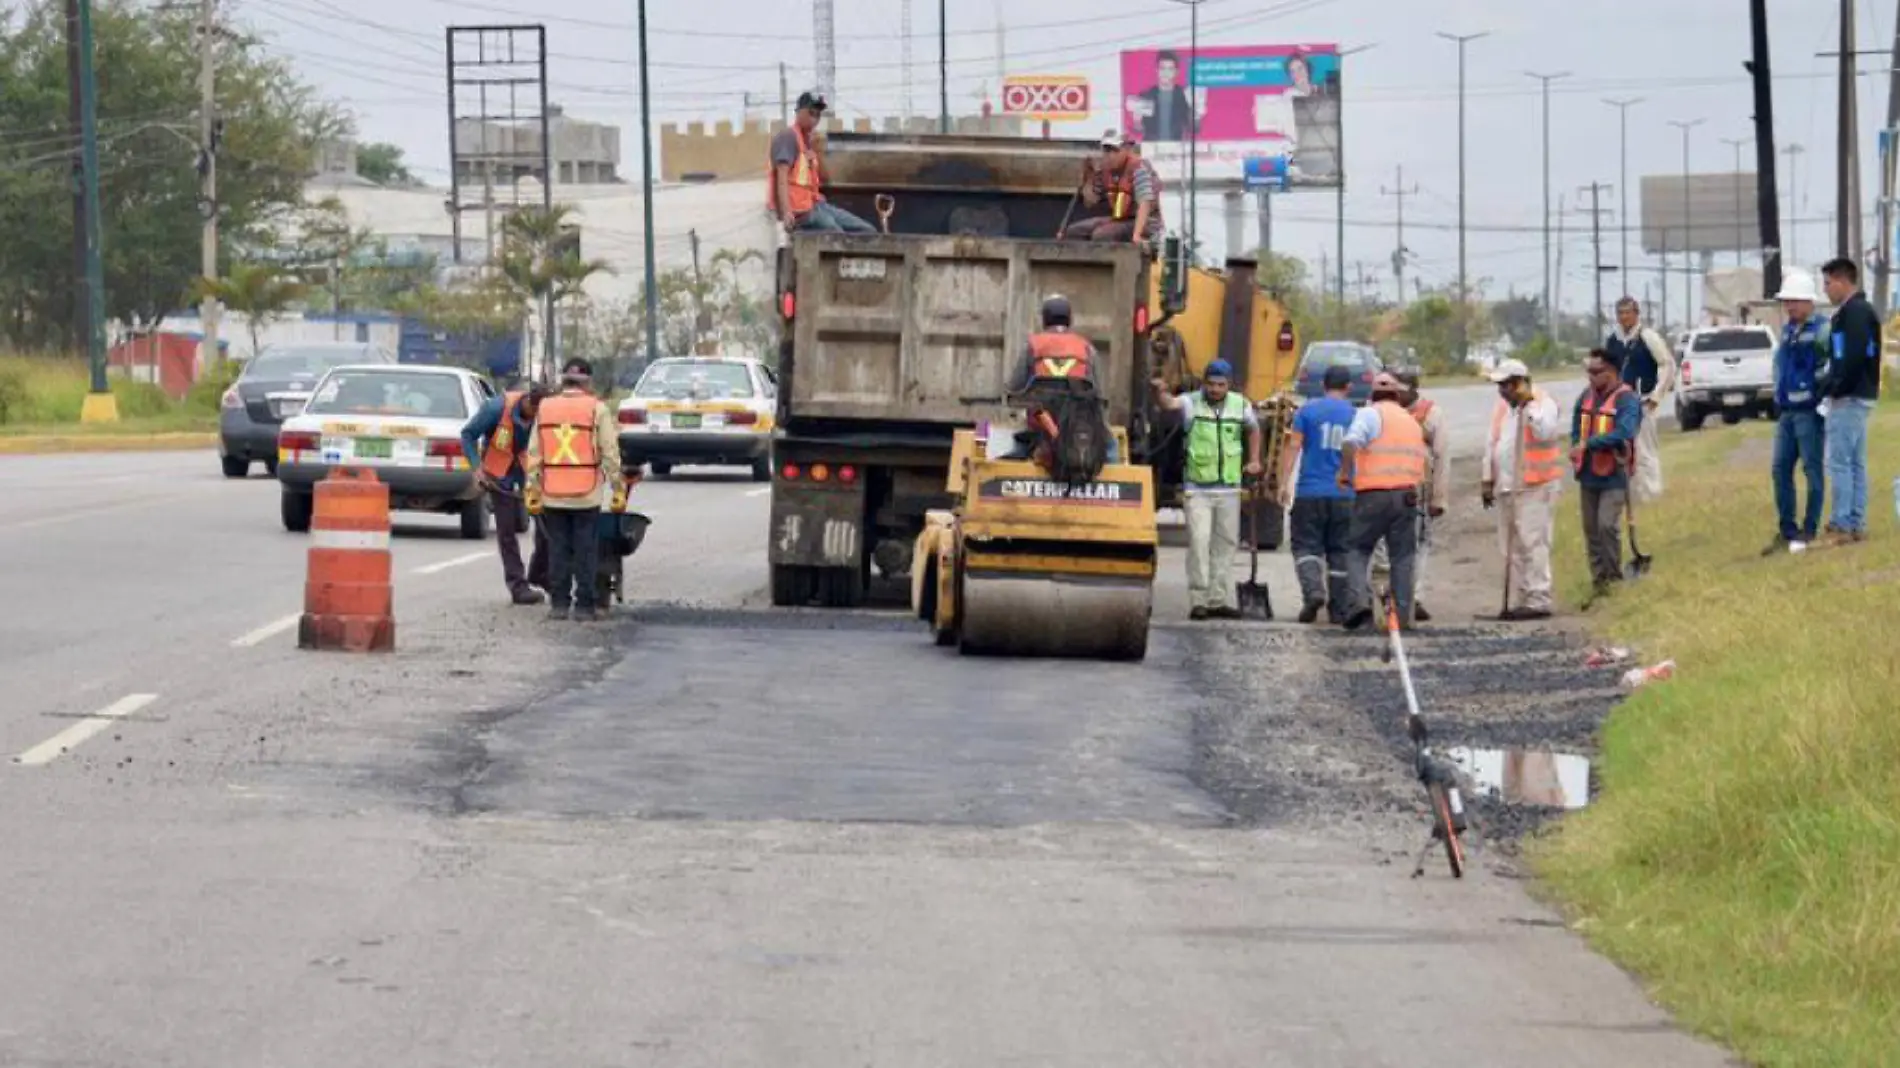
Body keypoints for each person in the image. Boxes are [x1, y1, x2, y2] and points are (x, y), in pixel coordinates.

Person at [1152, 359, 1263, 620]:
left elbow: (1254, 429)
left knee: (1225, 545)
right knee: (1199, 543)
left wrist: (1255, 459)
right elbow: (1168, 404)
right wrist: (1159, 391)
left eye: (1220, 385)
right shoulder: (1192, 402)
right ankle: (1199, 600)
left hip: (1229, 487)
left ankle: (1218, 599)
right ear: (1204, 383)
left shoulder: (1240, 404)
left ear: (1229, 385)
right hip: (1198, 488)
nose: (1215, 389)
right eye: (1211, 384)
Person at [524, 358, 623, 622]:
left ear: (563, 380)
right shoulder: (596, 409)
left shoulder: (545, 407)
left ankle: (558, 604)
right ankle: (584, 606)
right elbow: (610, 452)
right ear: (588, 382)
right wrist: (617, 487)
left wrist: (531, 488)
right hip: (586, 493)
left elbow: (534, 452)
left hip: (552, 490)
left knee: (558, 549)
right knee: (585, 550)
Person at [1337, 373, 1428, 630]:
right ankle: (1402, 616)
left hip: (1373, 495)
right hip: (1407, 496)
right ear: (1397, 395)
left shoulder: (1370, 414)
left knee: (1357, 550)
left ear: (1372, 394)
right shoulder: (1410, 422)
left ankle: (1359, 603)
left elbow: (1350, 442)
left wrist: (1345, 473)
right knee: (1403, 557)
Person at [1480, 358, 1565, 621]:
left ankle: (1538, 597)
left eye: (1506, 386)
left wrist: (1528, 406)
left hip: (1534, 485)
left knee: (1533, 543)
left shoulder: (1542, 403)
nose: (1502, 391)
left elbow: (1545, 432)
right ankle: (1523, 596)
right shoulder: (1503, 409)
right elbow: (1491, 444)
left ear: (1519, 383)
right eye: (1500, 386)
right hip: (1507, 486)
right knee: (1510, 547)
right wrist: (1487, 479)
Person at [1368, 366, 1448, 621]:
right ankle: (1385, 596)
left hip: (1418, 491)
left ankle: (1413, 597)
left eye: (1400, 390)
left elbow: (1442, 457)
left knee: (1417, 546)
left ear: (1413, 389)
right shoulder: (1377, 411)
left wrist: (1439, 497)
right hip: (1383, 489)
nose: (1396, 395)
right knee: (1382, 547)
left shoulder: (1432, 414)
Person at [460, 381, 551, 606]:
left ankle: (539, 572)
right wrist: (476, 467)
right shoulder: (495, 409)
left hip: (529, 470)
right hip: (498, 473)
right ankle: (518, 586)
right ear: (529, 403)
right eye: (534, 415)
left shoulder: (547, 415)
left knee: (546, 525)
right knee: (507, 531)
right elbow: (468, 435)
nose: (535, 420)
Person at [1279, 364, 1356, 624]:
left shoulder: (1307, 411)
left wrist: (1283, 483)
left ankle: (1313, 592)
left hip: (1310, 492)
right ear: (1348, 388)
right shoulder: (1356, 415)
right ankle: (1339, 608)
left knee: (1305, 546)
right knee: (1340, 551)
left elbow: (1293, 447)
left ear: (1323, 385)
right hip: (1345, 494)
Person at [1002, 294, 1118, 464]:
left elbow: (1014, 388)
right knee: (1111, 446)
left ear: (1044, 320)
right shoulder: (1086, 348)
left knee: (1019, 443)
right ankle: (1113, 477)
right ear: (1070, 320)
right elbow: (1097, 394)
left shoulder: (1032, 346)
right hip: (1078, 427)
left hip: (1040, 427)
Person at [1818, 257, 1882, 547]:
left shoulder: (1855, 312)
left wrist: (1834, 387)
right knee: (1855, 462)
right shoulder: (1850, 313)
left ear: (1843, 281)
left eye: (1828, 283)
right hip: (1857, 394)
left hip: (1851, 396)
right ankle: (1856, 521)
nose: (1825, 290)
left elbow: (1852, 358)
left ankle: (1843, 522)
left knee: (1839, 462)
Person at [1764, 270, 1830, 555]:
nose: (1789, 307)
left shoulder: (1823, 330)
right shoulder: (1788, 331)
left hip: (1810, 412)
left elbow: (1830, 368)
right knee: (1780, 469)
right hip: (1788, 412)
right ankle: (1787, 529)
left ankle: (1809, 528)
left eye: (1794, 301)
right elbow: (1780, 365)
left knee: (1812, 470)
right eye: (1786, 302)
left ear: (1809, 301)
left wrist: (1818, 393)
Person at [1572, 348, 1643, 606]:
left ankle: (1613, 577)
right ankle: (1599, 580)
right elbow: (1575, 427)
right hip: (1588, 473)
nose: (1590, 377)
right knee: (1591, 529)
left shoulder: (1627, 400)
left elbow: (1625, 432)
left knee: (1606, 525)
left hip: (1614, 473)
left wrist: (1590, 444)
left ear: (1611, 372)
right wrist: (1576, 446)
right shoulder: (1585, 398)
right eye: (1588, 372)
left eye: (1595, 372)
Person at [767, 91, 877, 235]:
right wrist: (787, 213)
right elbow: (781, 179)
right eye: (811, 113)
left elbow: (821, 180)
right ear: (799, 112)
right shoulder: (787, 137)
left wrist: (817, 151)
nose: (815, 119)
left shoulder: (808, 143)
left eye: (818, 115)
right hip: (799, 211)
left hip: (815, 204)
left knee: (866, 230)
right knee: (836, 234)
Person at [1605, 296, 1676, 503]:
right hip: (1619, 403)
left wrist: (1655, 396)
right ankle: (1631, 494)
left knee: (1645, 450)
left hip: (1642, 401)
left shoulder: (1648, 337)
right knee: (1623, 450)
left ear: (1636, 314)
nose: (1624, 317)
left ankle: (1651, 494)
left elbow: (1667, 364)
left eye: (1628, 312)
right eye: (1620, 313)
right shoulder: (1614, 340)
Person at [1062, 132, 1164, 245]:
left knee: (1102, 235)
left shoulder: (1139, 169)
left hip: (1145, 223)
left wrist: (1137, 235)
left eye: (1115, 150)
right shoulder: (1105, 171)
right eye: (1106, 151)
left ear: (1126, 150)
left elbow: (1145, 204)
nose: (1110, 155)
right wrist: (1089, 179)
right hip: (1119, 220)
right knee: (1074, 232)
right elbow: (1090, 203)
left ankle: (1107, 261)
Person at [1126, 50, 1199, 142]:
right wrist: (1137, 122)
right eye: (1162, 68)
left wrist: (1196, 115)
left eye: (1170, 69)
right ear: (1157, 70)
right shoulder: (1146, 96)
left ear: (1176, 72)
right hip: (1152, 150)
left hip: (1175, 150)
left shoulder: (1183, 95)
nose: (1166, 73)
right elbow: (1138, 131)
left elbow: (1193, 129)